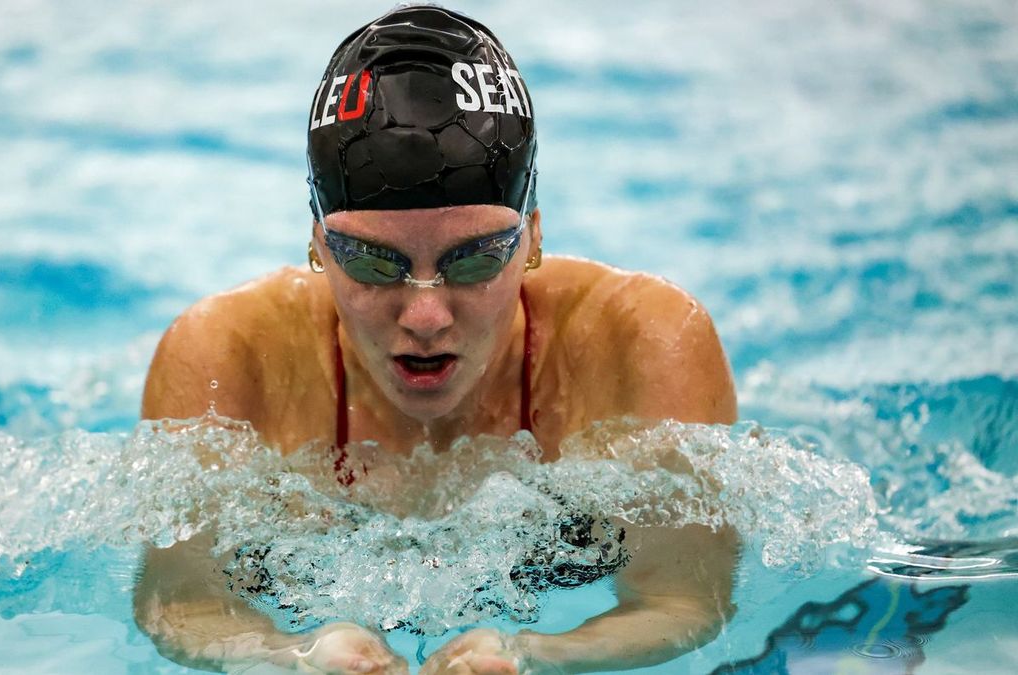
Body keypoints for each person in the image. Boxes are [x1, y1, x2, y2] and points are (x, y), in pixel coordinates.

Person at [134, 5, 738, 674]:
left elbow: (687, 600)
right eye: (371, 261)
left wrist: (537, 656)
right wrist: (292, 653)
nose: (425, 315)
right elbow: (177, 601)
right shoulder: (226, 358)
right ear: (318, 247)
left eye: (475, 258)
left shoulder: (643, 345)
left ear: (533, 237)